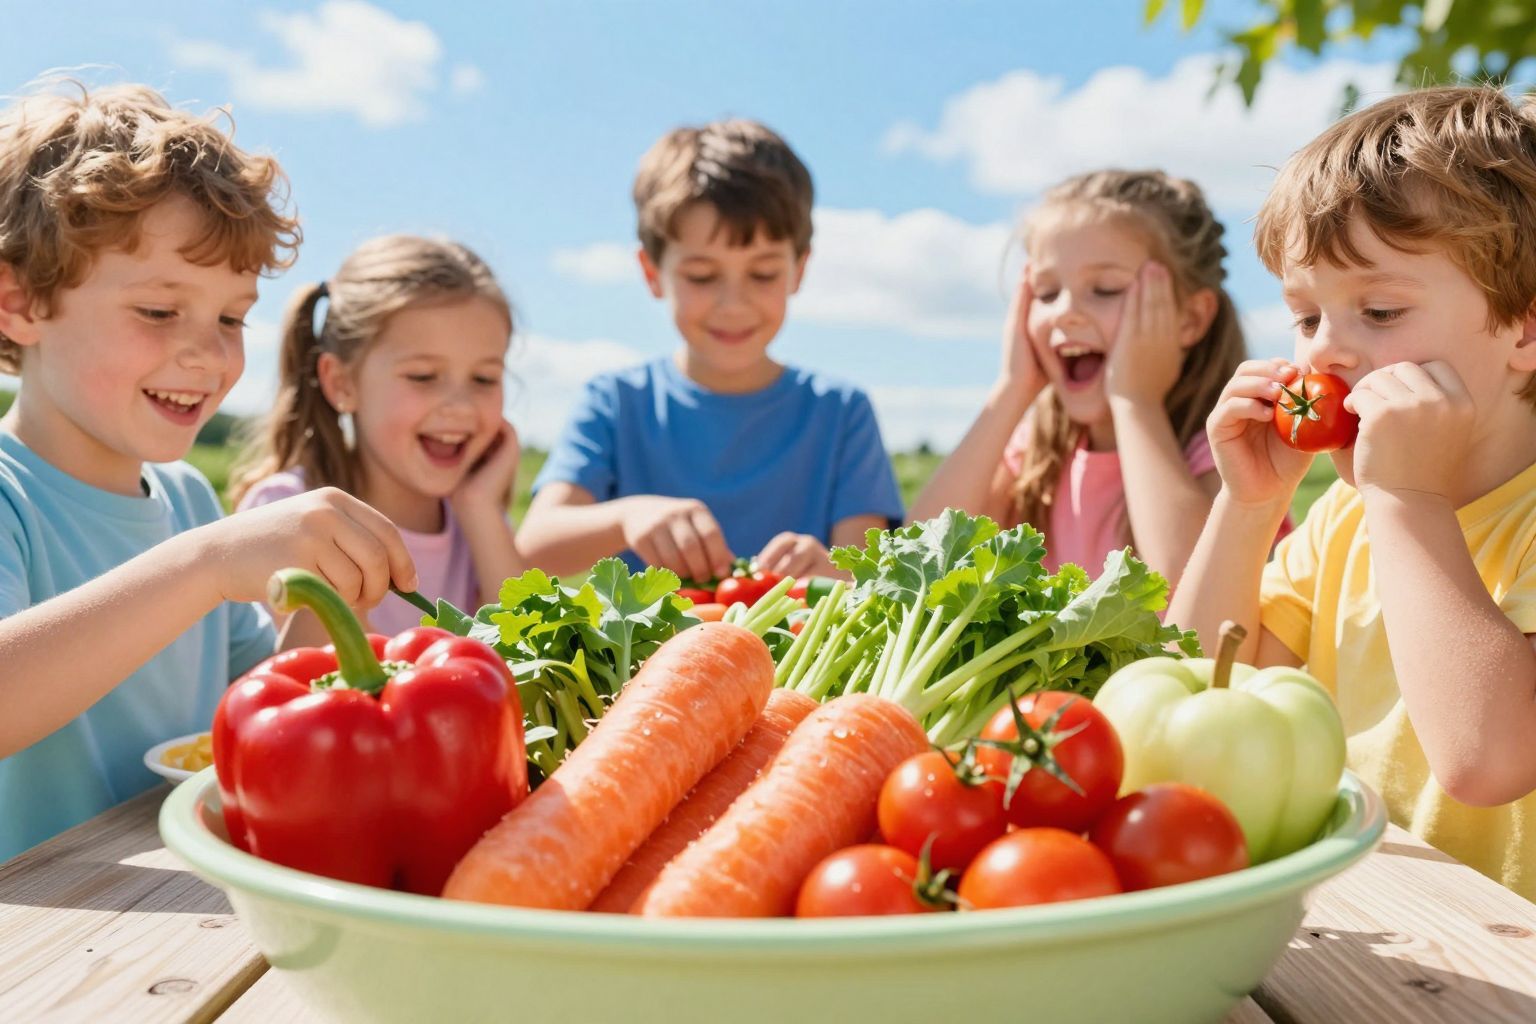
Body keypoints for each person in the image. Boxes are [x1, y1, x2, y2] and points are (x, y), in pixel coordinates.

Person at [0, 83, 414, 860]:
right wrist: (207, 564)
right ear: (18, 304)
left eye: (231, 318)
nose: (210, 354)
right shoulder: (9, 494)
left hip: (170, 906)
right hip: (33, 941)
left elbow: (256, 695)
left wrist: (327, 600)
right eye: (159, 312)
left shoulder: (188, 499)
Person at [1168, 86, 1536, 900]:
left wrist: (1408, 496)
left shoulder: (1409, 507)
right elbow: (1196, 693)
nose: (1325, 353)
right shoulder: (1345, 516)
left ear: (1525, 327)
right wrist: (1250, 506)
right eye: (1305, 319)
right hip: (1396, 938)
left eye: (1377, 309)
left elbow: (1489, 758)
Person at [517, 119, 903, 582]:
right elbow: (535, 546)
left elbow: (863, 577)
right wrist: (628, 517)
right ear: (652, 272)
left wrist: (825, 572)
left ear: (799, 269)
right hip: (650, 658)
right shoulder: (616, 401)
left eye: (762, 274)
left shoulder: (841, 413)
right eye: (702, 276)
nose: (733, 304)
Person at [910, 170, 1262, 589]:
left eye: (1106, 289)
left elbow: (1193, 603)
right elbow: (921, 559)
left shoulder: (1229, 449)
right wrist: (1012, 388)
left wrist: (1134, 401)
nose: (1065, 312)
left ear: (1191, 317)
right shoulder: (1036, 456)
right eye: (1045, 293)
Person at [230, 236, 522, 636]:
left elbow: (529, 661)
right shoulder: (285, 513)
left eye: (484, 378)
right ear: (343, 384)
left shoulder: (479, 526)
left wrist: (481, 508)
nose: (461, 407)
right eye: (423, 376)